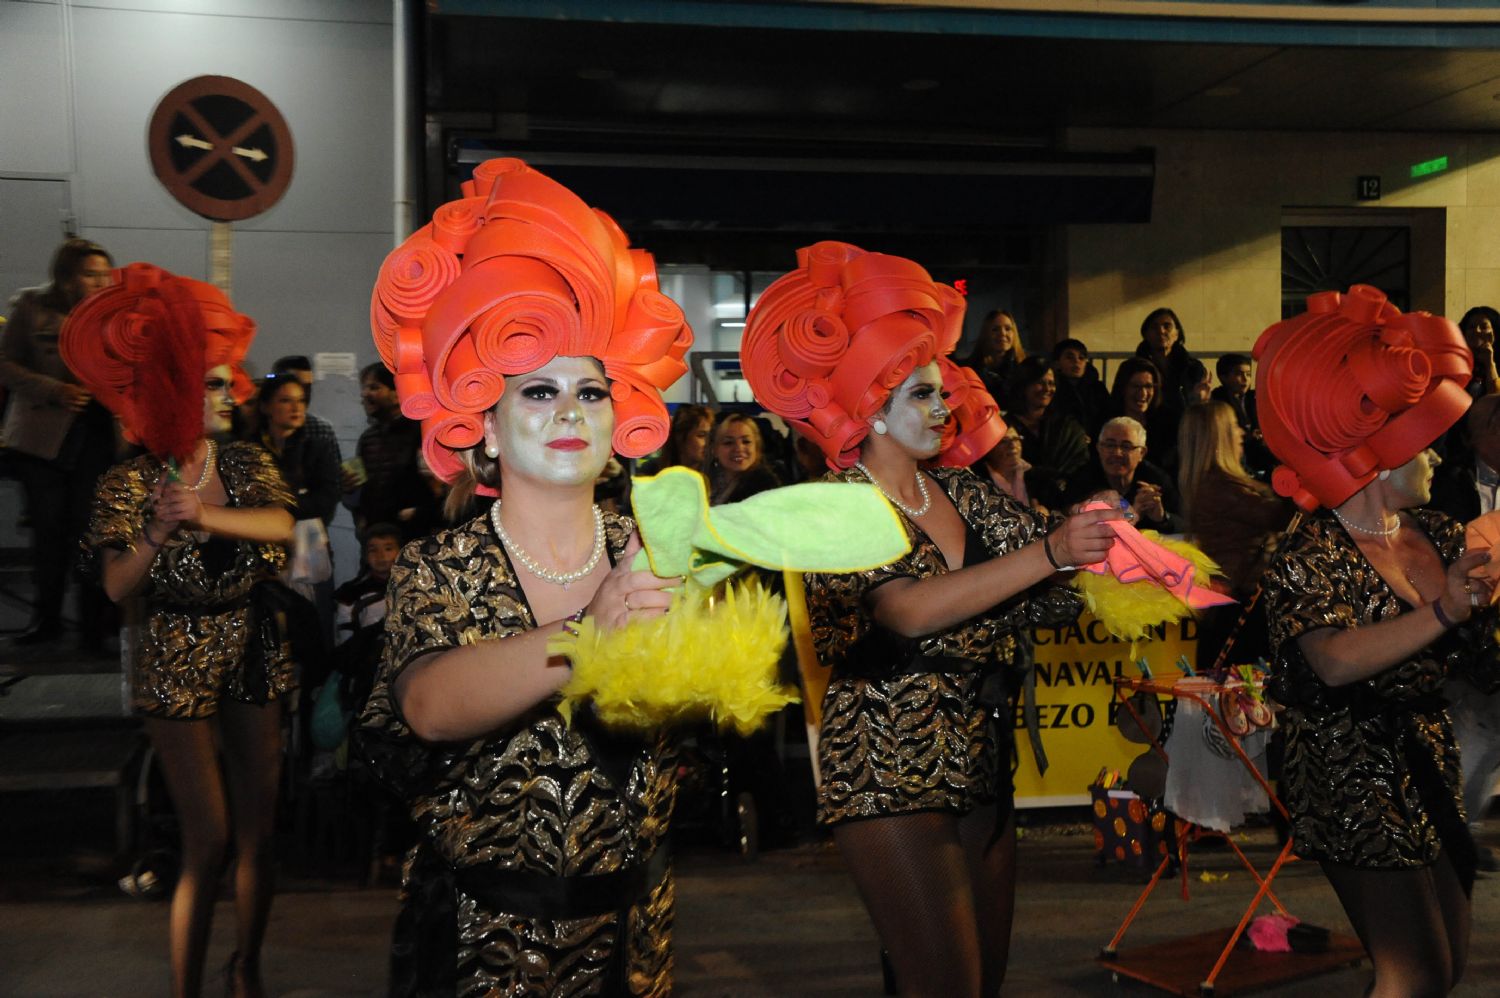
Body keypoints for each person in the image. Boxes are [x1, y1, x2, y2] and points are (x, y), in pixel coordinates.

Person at [740, 240, 1116, 998]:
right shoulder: (836, 506)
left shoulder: (968, 494)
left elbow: (1055, 598)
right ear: (869, 409)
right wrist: (1046, 551)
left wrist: (1085, 544)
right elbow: (904, 610)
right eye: (921, 394)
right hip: (886, 764)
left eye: (941, 391)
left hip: (983, 759)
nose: (945, 407)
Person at [356, 158, 693, 995]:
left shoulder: (658, 550)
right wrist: (591, 634)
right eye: (538, 392)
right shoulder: (443, 564)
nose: (572, 411)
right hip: (484, 948)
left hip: (637, 940)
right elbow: (427, 708)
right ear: (489, 436)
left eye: (591, 391)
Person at [64, 262, 296, 998]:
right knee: (209, 837)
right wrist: (158, 536)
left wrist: (203, 514)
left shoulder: (246, 461)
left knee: (260, 831)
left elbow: (282, 527)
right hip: (173, 649)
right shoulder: (129, 482)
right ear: (176, 388)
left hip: (252, 639)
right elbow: (113, 583)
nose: (233, 394)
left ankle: (246, 969)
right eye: (217, 383)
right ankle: (186, 987)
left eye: (231, 382)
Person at [1258, 285, 1498, 997]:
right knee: (1412, 974)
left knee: (1446, 969)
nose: (1437, 457)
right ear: (1377, 456)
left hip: (1430, 759)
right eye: (1423, 444)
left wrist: (1479, 615)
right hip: (1346, 770)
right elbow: (1331, 660)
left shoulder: (1444, 534)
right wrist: (1445, 613)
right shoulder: (1307, 554)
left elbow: (1481, 659)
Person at [0, 238, 117, 648]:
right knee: (48, 533)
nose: (100, 282)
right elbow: (5, 364)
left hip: (97, 436)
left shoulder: (116, 314)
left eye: (105, 274)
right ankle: (45, 620)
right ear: (66, 277)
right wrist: (53, 389)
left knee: (90, 533)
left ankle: (93, 626)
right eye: (90, 274)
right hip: (43, 437)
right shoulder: (31, 306)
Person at [1429, 393, 1500, 873]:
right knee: (1471, 739)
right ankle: (1451, 837)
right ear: (1477, 435)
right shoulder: (1448, 484)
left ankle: (1457, 833)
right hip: (1465, 637)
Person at [1176, 401, 1293, 667]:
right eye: (1233, 427)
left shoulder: (1211, 484)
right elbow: (1279, 516)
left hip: (1234, 603)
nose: (1241, 432)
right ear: (1218, 438)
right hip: (1242, 605)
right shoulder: (1221, 489)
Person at [341, 362, 436, 538]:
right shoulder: (368, 438)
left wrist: (419, 513)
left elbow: (437, 491)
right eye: (365, 388)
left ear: (397, 394)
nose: (365, 394)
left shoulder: (422, 432)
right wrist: (350, 490)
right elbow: (361, 491)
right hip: (376, 536)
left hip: (414, 535)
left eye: (374, 387)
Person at [1063, 416, 1181, 533]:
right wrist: (1134, 513)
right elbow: (1071, 525)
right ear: (1099, 448)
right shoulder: (1082, 480)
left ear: (1142, 453)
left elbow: (1183, 523)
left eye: (1126, 446)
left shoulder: (1156, 479)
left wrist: (1162, 518)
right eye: (1110, 445)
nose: (1117, 453)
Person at [1003, 356, 1089, 510]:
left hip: (1064, 503)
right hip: (1017, 502)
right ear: (1024, 385)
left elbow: (1078, 463)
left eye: (1051, 383)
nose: (1047, 389)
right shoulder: (1006, 427)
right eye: (1039, 382)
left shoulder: (1066, 426)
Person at [1107, 355, 1179, 473]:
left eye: (1148, 386)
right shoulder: (1106, 420)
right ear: (1123, 388)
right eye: (1135, 386)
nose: (1142, 394)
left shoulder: (1168, 421)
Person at [1210, 352, 1273, 479]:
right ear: (1223, 377)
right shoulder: (1217, 400)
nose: (1245, 379)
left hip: (1258, 449)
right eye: (1239, 374)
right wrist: (1248, 435)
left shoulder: (1255, 397)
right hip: (1235, 453)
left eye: (1248, 374)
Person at [1135, 306, 1199, 413]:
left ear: (1177, 334)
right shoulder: (1133, 368)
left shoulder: (1193, 368)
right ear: (1146, 334)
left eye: (1167, 326)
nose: (1161, 331)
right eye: (1154, 327)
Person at [707, 411, 780, 504]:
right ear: (715, 450)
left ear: (756, 447)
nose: (738, 448)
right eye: (728, 443)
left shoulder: (766, 488)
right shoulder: (706, 482)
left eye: (746, 442)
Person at [961, 308, 1025, 409]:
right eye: (995, 329)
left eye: (1008, 329)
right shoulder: (972, 370)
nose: (1003, 333)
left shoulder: (1025, 368)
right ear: (986, 335)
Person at [1050, 337, 1110, 434]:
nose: (1076, 362)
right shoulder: (1053, 389)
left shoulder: (1097, 388)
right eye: (1070, 357)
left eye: (1081, 358)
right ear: (1057, 363)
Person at [638, 403, 713, 476]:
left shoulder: (713, 474)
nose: (707, 443)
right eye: (701, 435)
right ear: (680, 437)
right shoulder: (651, 470)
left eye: (710, 436)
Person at [1458, 305, 1500, 399]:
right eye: (1471, 327)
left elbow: (1496, 400)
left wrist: (1489, 363)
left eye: (1484, 327)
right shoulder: (1456, 359)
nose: (1477, 331)